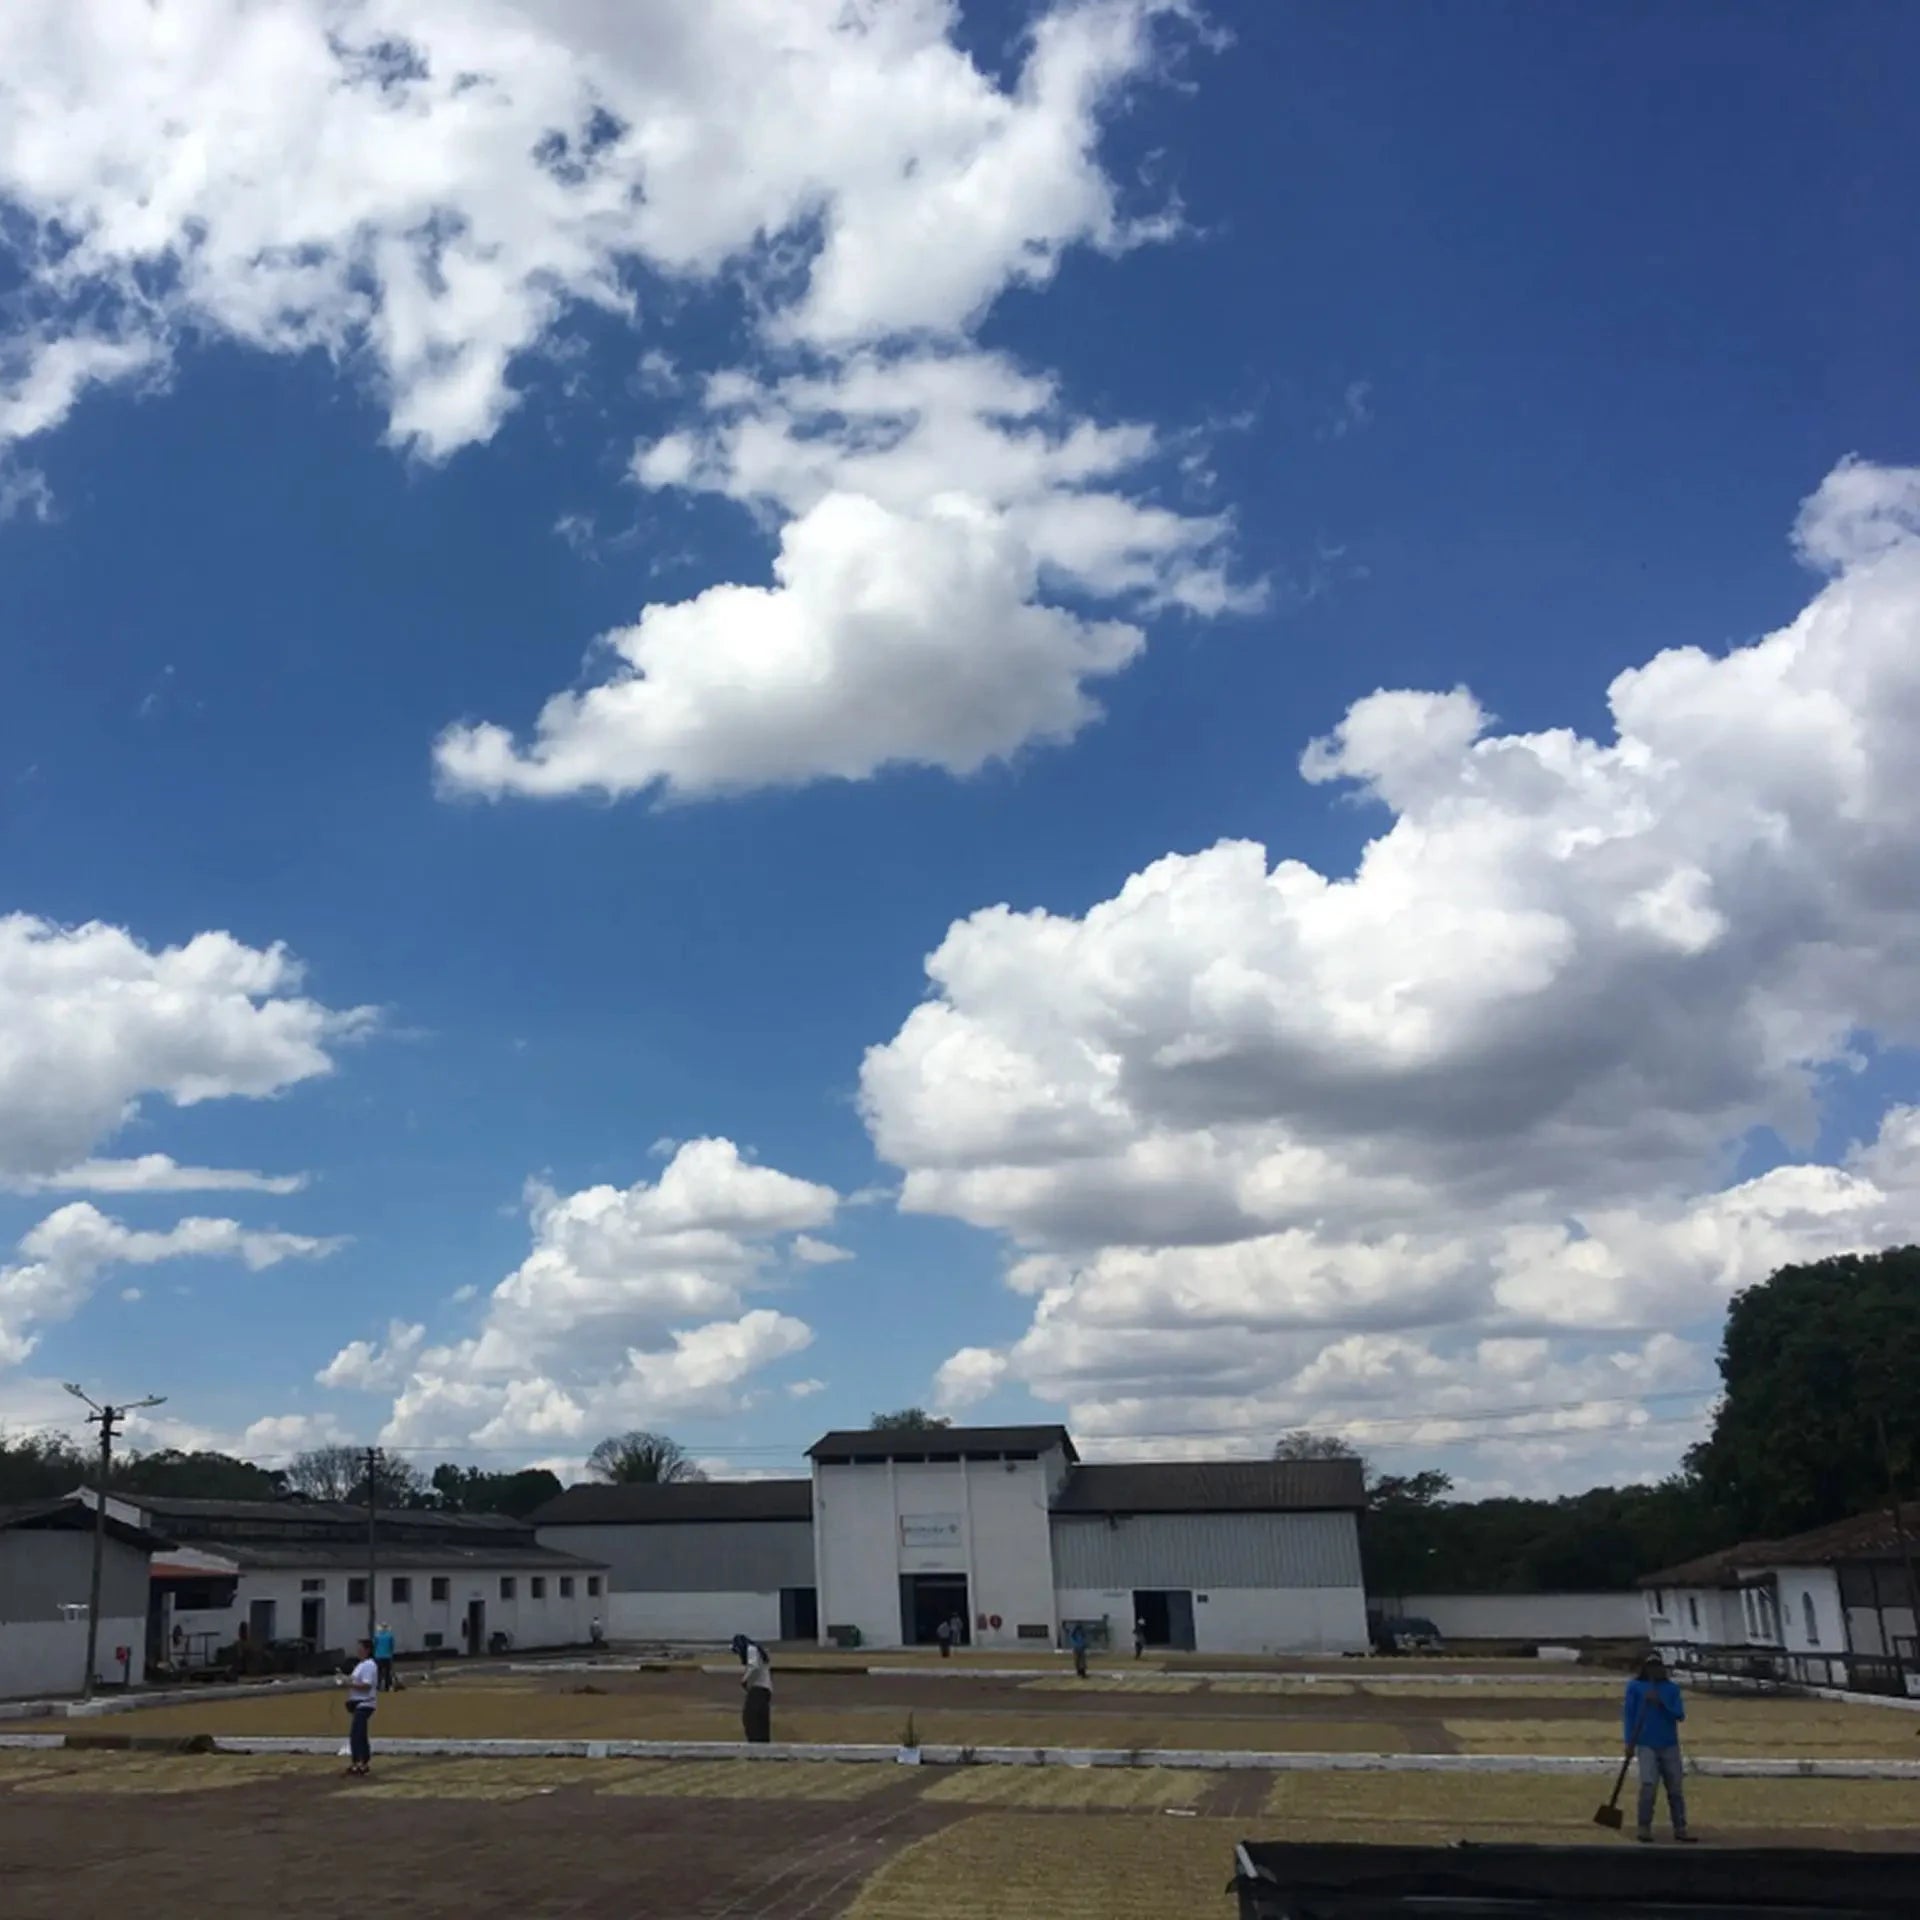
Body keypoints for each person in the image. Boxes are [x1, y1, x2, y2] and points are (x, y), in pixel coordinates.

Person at [1623, 1653, 1695, 1844]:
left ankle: (1680, 1828)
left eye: (1657, 1666)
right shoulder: (1635, 1688)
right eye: (1650, 1666)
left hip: (1669, 1744)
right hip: (1645, 1743)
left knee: (1675, 1788)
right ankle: (1644, 1827)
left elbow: (1679, 1715)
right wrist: (1629, 1743)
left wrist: (1661, 1703)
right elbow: (1629, 1716)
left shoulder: (1671, 1689)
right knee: (1648, 1785)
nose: (1654, 1670)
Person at [344, 1637, 379, 1777]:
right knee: (359, 1734)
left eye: (360, 1648)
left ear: (367, 1650)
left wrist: (349, 1685)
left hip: (365, 1703)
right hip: (358, 1703)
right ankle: (360, 1762)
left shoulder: (369, 1665)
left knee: (357, 1734)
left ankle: (360, 1762)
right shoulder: (361, 1664)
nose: (358, 1651)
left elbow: (367, 1685)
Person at [732, 1632, 772, 1743]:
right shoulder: (756, 1650)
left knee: (752, 1718)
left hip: (758, 1689)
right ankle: (760, 1742)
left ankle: (756, 1743)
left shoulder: (751, 1650)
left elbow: (753, 1666)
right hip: (762, 1689)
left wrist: (744, 1680)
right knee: (758, 1719)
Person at [373, 1621, 397, 1692]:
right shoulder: (390, 1636)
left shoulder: (377, 1636)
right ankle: (387, 1687)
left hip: (378, 1656)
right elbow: (392, 1646)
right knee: (387, 1673)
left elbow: (374, 1645)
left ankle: (378, 1686)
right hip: (387, 1656)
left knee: (378, 1672)